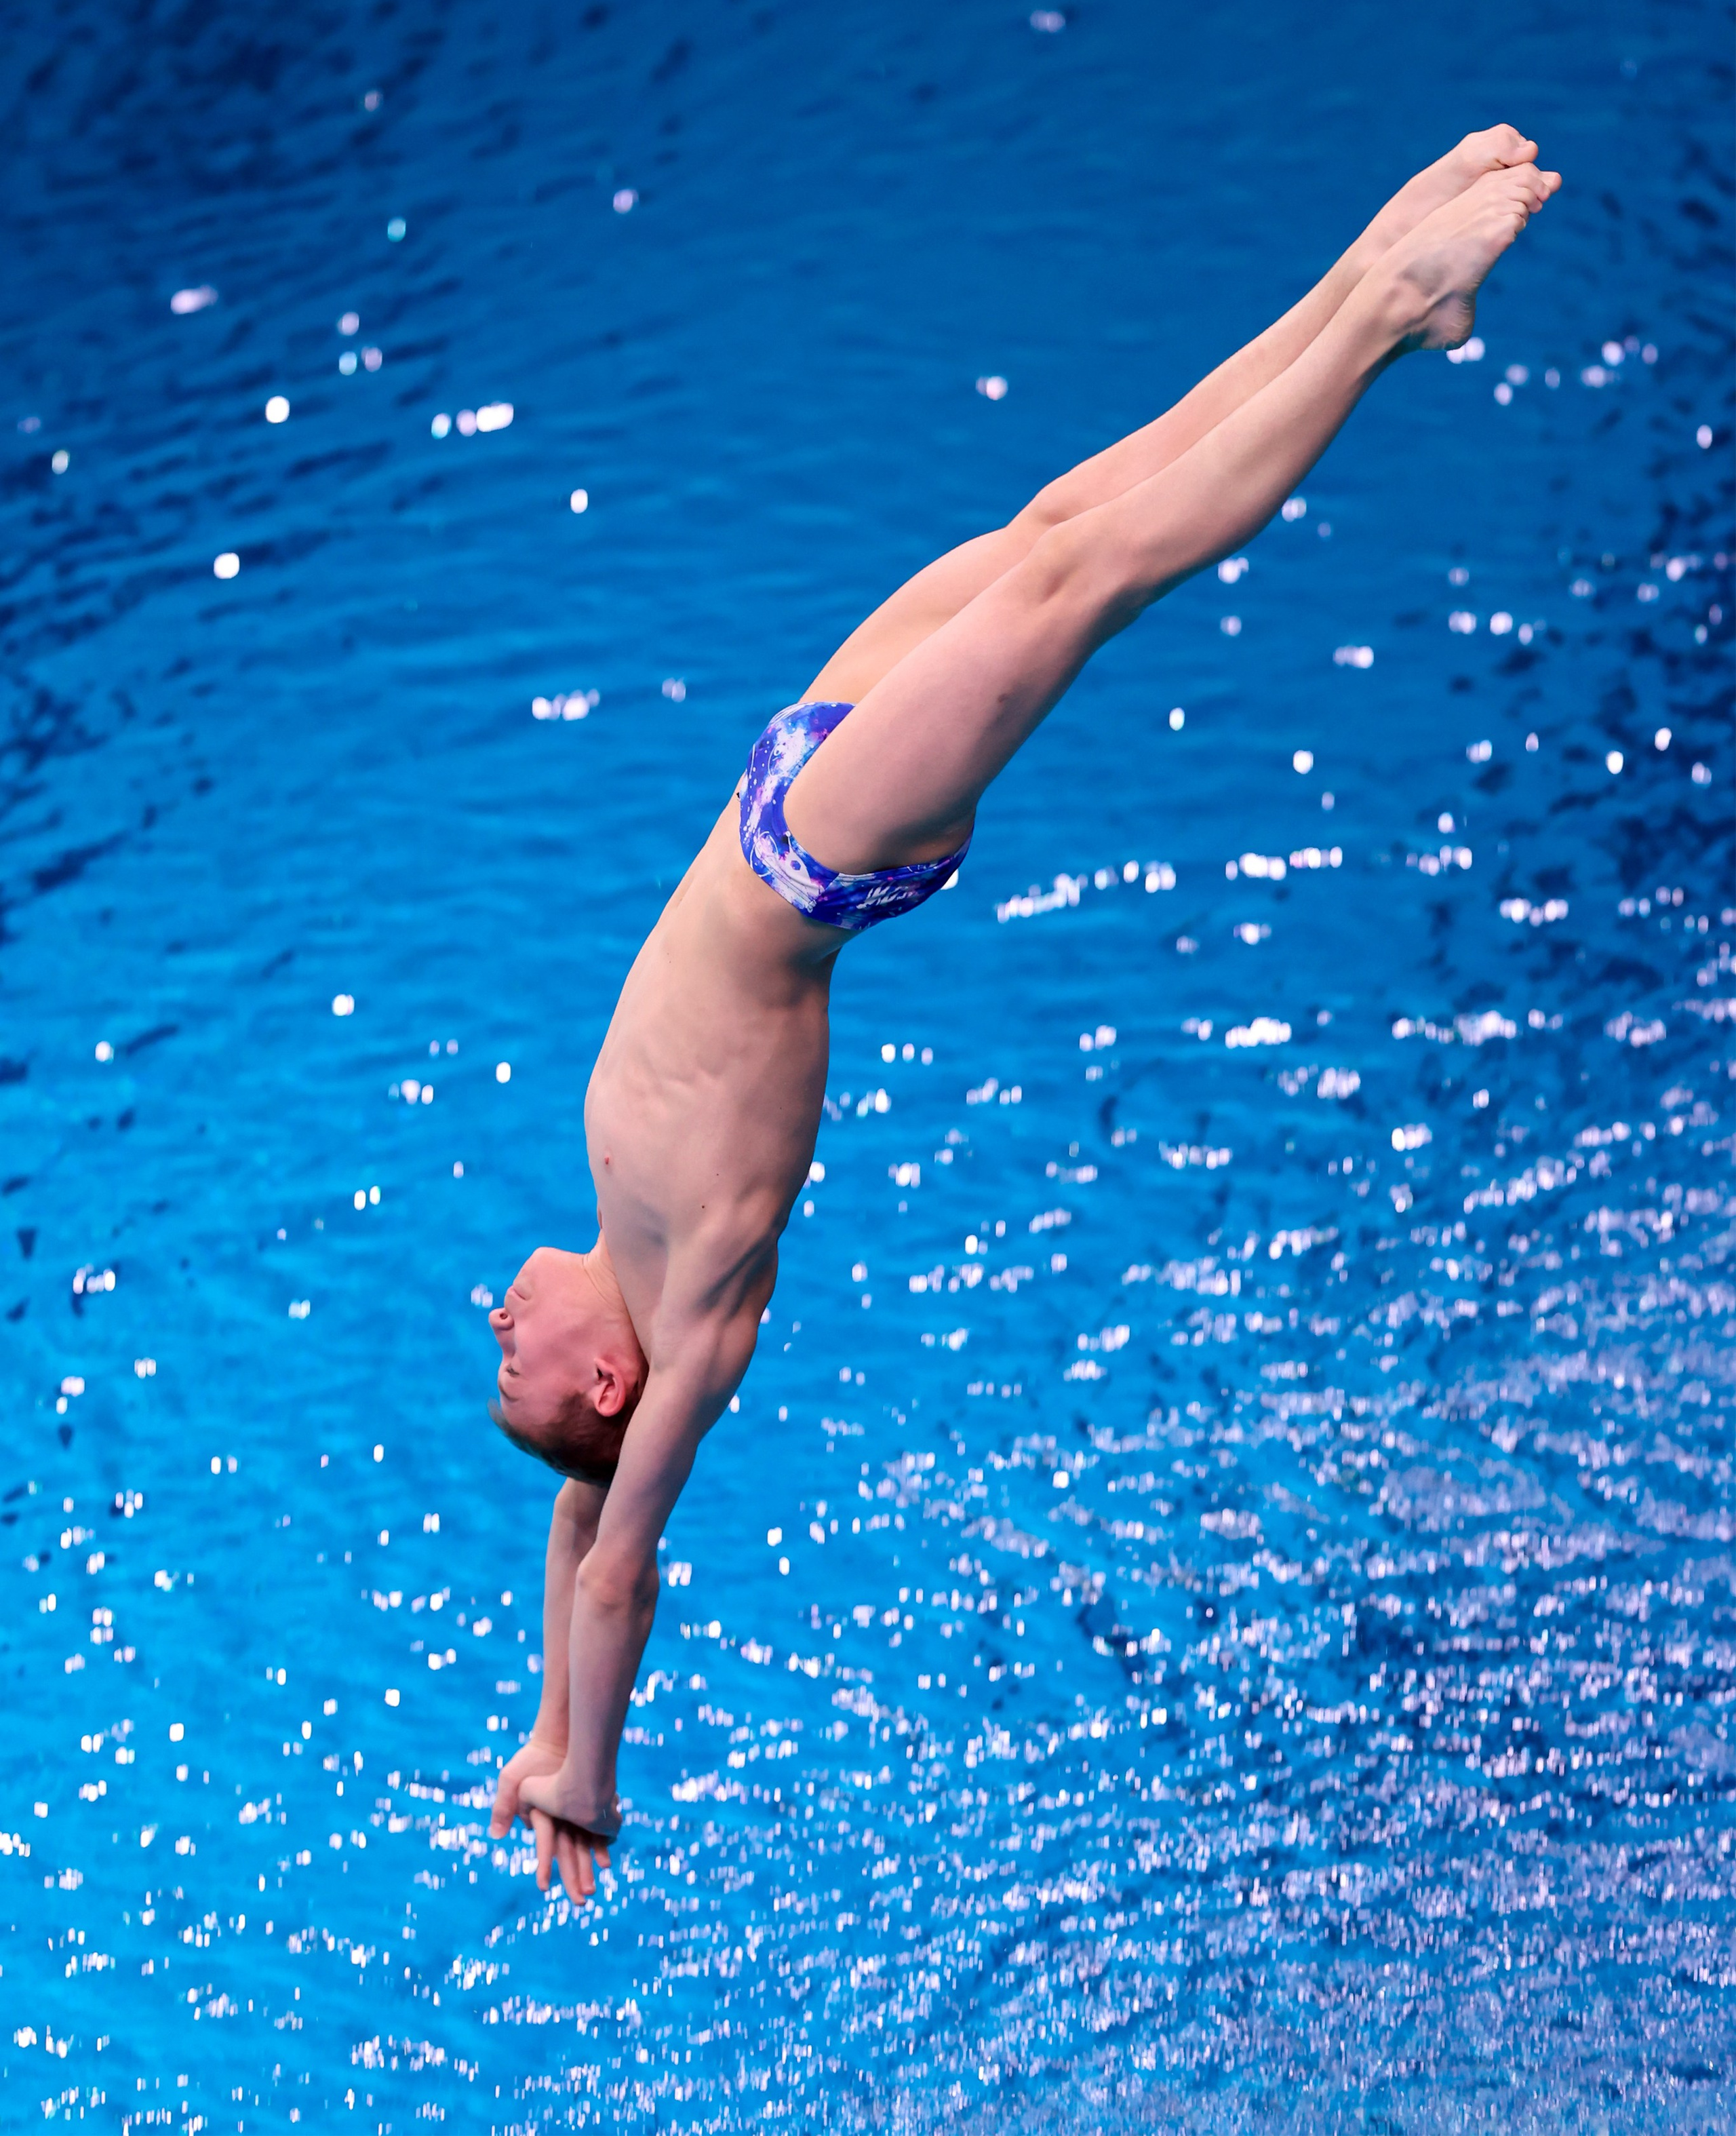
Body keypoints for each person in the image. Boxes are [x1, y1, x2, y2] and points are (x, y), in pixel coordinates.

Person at [485, 128, 1560, 1902]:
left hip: (788, 788)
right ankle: (1382, 313)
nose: (492, 1315)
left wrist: (540, 1719)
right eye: (508, 1362)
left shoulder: (624, 1285)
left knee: (1058, 521)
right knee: (1094, 577)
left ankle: (1355, 280)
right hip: (816, 861)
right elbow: (621, 1557)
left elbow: (574, 1522)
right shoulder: (682, 1330)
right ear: (605, 1377)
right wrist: (588, 1783)